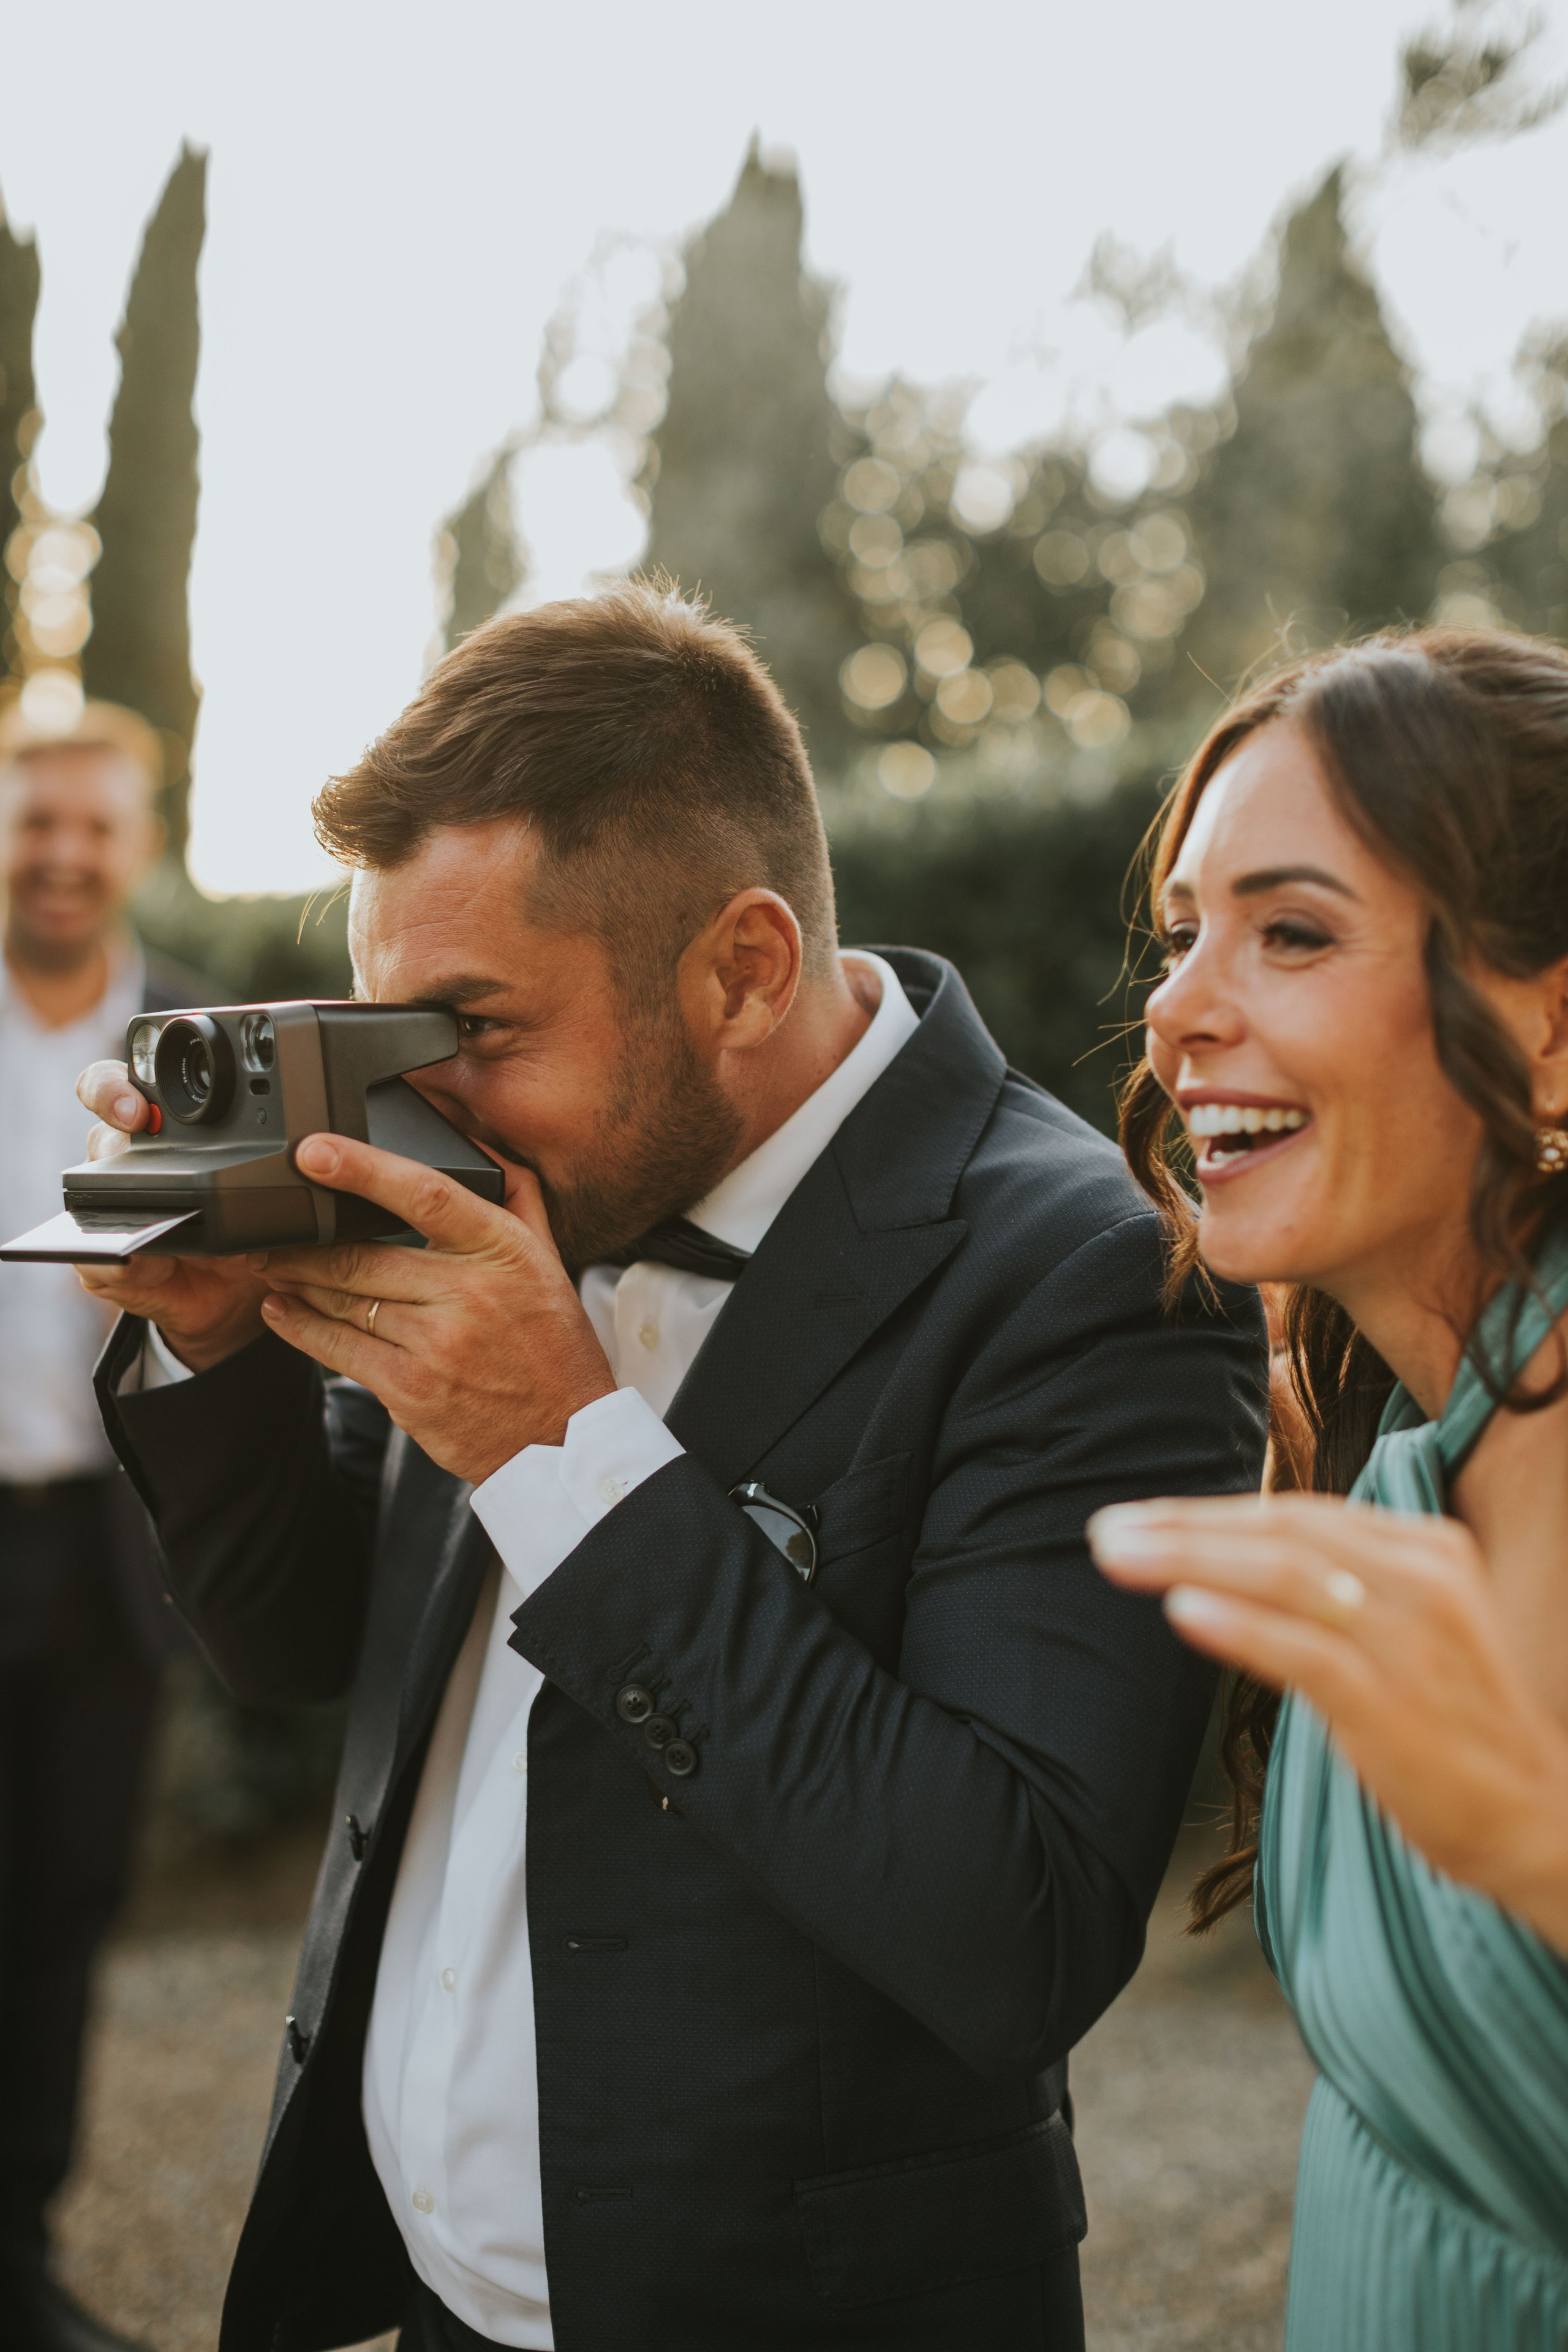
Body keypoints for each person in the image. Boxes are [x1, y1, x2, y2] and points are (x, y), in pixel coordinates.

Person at [79, 587, 1267, 2352]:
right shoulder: (495, 1188)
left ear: (743, 969)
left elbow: (1010, 1931)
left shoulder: (1086, 1275)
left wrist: (561, 1450)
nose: (432, 1103)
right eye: (389, 1026)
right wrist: (215, 1341)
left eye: (474, 1030)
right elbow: (296, 1645)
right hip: (426, 2303)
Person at [1087, 627, 1568, 2352]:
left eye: (1291, 933)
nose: (1177, 1006)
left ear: (1555, 1030)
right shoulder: (1400, 1440)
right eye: (1184, 932)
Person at [0, 699, 208, 2352]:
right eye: (33, 819)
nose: (61, 855)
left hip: (106, 1554)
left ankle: (19, 2258)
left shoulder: (200, 1046)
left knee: (62, 1910)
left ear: (140, 840)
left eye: (93, 827)